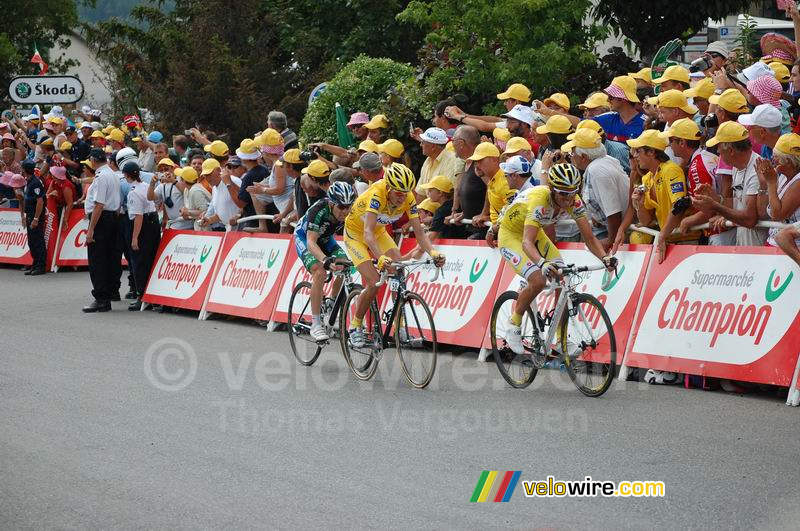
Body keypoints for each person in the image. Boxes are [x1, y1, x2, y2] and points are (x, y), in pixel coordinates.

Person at [497, 163, 616, 354]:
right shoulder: (540, 199)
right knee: (538, 279)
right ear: (552, 189)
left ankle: (561, 338)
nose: (568, 199)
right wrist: (542, 263)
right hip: (512, 236)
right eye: (562, 193)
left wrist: (605, 258)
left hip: (535, 234)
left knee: (563, 276)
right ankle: (514, 323)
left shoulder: (573, 201)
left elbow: (589, 237)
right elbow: (526, 242)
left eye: (572, 192)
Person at [343, 163, 445, 347]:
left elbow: (419, 232)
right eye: (398, 192)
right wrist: (380, 256)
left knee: (398, 270)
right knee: (374, 281)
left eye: (406, 192)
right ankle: (355, 325)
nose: (403, 196)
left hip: (379, 233)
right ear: (388, 187)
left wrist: (433, 252)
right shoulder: (376, 195)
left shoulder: (408, 197)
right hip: (356, 235)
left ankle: (400, 324)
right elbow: (367, 233)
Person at [294, 181, 357, 341]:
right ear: (331, 203)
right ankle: (316, 323)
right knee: (319, 271)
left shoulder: (351, 211)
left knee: (346, 266)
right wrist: (325, 259)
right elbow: (311, 242)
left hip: (327, 239)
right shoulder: (318, 210)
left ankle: (332, 303)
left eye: (349, 206)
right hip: (306, 238)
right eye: (342, 207)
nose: (346, 211)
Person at [693, 122, 768, 246]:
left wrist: (716, 206)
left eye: (719, 147)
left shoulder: (757, 170)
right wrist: (717, 199)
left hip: (759, 247)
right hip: (747, 244)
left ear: (731, 150)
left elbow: (750, 219)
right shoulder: (737, 167)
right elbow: (739, 203)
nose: (717, 151)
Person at [563, 129, 629, 248]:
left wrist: (610, 241)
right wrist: (596, 216)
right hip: (610, 226)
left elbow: (613, 212)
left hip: (620, 233)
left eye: (572, 154)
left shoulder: (596, 171)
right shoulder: (607, 159)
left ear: (583, 157)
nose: (570, 157)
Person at [83, 149, 121, 312]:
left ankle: (101, 298)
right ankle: (110, 292)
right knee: (110, 258)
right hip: (112, 217)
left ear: (93, 160)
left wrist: (91, 230)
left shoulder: (101, 177)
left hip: (102, 219)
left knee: (97, 260)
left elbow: (99, 204)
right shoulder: (113, 174)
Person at [122, 162, 161, 310]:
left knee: (139, 262)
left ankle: (141, 294)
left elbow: (138, 216)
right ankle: (151, 295)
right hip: (152, 223)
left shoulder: (134, 192)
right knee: (151, 260)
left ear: (126, 175)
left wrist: (134, 238)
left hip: (142, 225)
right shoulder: (145, 186)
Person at [754, 133, 800, 249]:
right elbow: (762, 213)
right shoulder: (783, 176)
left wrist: (771, 183)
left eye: (776, 156)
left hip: (792, 247)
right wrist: (763, 184)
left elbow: (777, 215)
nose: (772, 159)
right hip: (775, 243)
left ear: (789, 161)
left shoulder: (798, 181)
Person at [468, 142, 516, 232]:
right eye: (475, 161)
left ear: (494, 160)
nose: (476, 165)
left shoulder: (505, 182)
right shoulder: (494, 180)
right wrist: (488, 218)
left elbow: (514, 214)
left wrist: (492, 231)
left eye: (480, 160)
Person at [449, 125, 486, 238]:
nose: (452, 144)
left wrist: (484, 214)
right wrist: (464, 213)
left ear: (461, 143)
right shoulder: (468, 162)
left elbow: (491, 187)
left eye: (453, 141)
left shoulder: (480, 162)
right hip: (471, 226)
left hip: (483, 229)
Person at [415, 127, 460, 200]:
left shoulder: (452, 161)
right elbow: (421, 193)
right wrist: (419, 211)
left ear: (433, 147)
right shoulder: (428, 160)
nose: (420, 145)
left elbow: (447, 195)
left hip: (443, 209)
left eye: (423, 142)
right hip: (429, 209)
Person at [596, 76, 645, 142]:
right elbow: (581, 122)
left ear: (622, 98)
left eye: (610, 97)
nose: (607, 100)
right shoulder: (607, 118)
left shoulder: (645, 124)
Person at [148, 158, 193, 230]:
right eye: (161, 171)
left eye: (166, 169)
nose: (164, 172)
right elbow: (150, 197)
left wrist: (173, 181)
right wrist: (152, 184)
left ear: (172, 169)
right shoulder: (162, 185)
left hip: (187, 223)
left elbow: (187, 192)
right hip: (174, 223)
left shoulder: (180, 180)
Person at [198, 158, 242, 230]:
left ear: (219, 170)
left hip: (241, 226)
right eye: (205, 175)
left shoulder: (233, 180)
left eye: (209, 174)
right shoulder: (215, 188)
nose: (207, 178)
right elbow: (221, 214)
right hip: (229, 229)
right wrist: (209, 220)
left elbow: (246, 201)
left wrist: (238, 215)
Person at [21, 161, 46, 275]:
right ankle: (35, 263)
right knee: (31, 241)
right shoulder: (28, 182)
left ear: (25, 169)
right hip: (30, 214)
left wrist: (36, 218)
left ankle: (41, 266)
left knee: (37, 241)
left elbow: (40, 201)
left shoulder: (35, 183)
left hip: (35, 215)